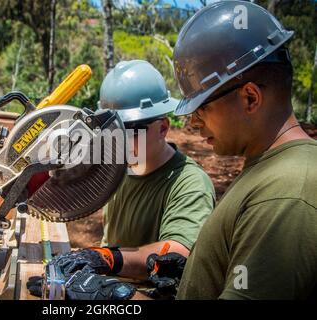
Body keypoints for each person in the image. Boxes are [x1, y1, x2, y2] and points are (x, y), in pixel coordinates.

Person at [27, 60, 215, 300]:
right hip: (109, 290)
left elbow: (178, 253)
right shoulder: (119, 168)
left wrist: (105, 258)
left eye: (131, 129)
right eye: (112, 130)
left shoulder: (188, 182)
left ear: (163, 128)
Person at [171, 1, 317, 299]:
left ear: (250, 98)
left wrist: (122, 300)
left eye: (203, 108)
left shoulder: (287, 194)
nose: (193, 123)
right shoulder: (270, 169)